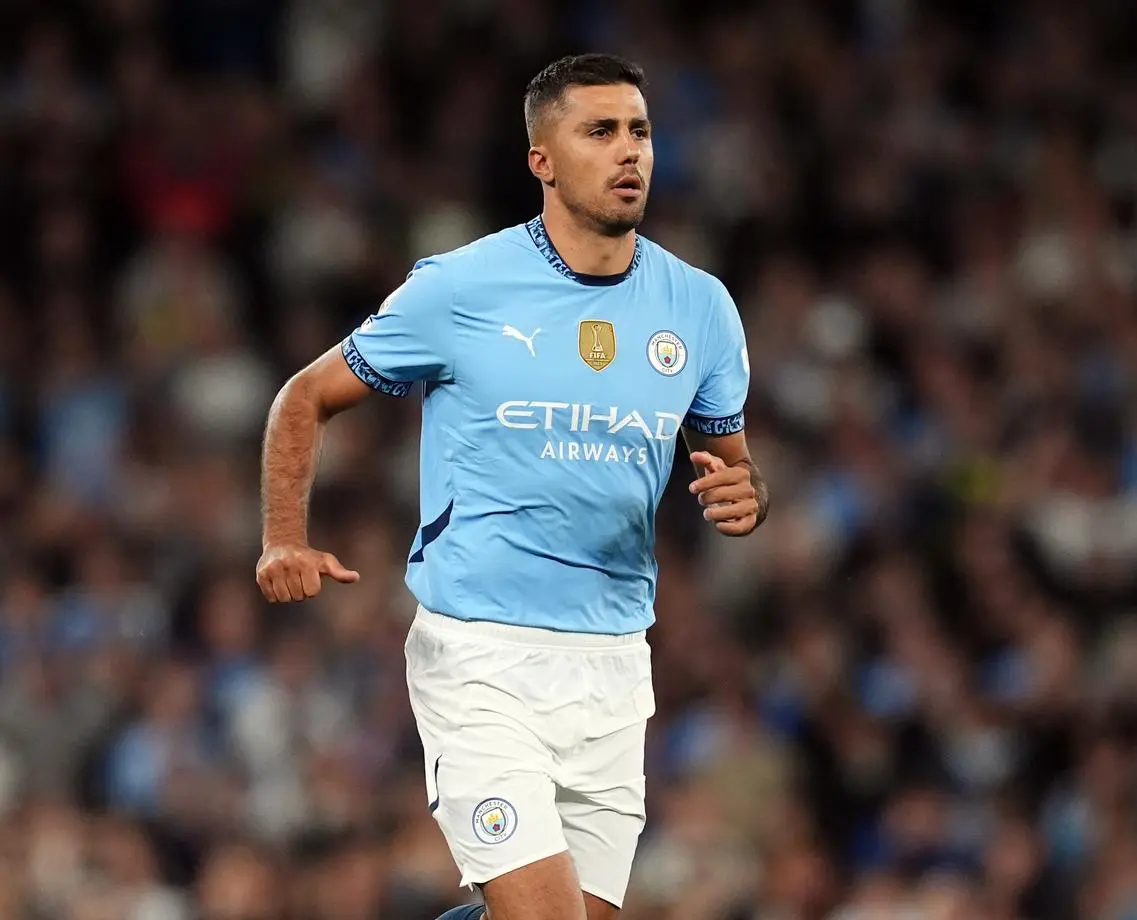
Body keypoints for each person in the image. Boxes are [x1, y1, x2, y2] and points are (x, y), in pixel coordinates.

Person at [254, 53, 769, 920]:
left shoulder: (701, 307)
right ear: (542, 160)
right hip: (481, 658)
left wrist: (747, 499)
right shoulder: (460, 289)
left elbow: (732, 465)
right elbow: (304, 396)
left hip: (612, 664)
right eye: (599, 132)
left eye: (639, 130)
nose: (628, 152)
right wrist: (281, 534)